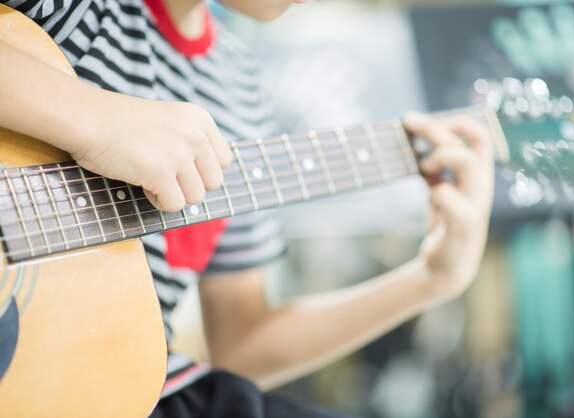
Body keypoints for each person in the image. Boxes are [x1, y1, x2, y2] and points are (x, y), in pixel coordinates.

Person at [0, 0, 494, 417]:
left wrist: (431, 279)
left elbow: (240, 346)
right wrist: (97, 121)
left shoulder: (239, 86)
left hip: (131, 394)